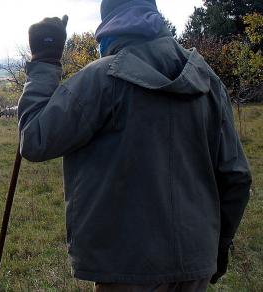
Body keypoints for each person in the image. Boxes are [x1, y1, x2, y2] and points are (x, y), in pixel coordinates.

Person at [18, 0, 252, 291]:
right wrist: (218, 245)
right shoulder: (208, 82)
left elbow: (36, 139)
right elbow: (237, 176)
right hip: (196, 262)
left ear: (108, 25)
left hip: (126, 267)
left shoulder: (102, 78)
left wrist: (44, 61)